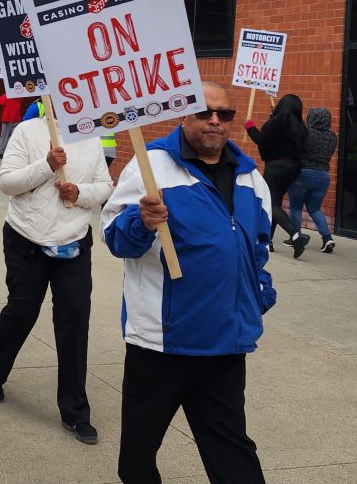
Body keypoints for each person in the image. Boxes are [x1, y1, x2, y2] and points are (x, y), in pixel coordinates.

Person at [103, 81, 274, 484]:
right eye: (204, 112)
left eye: (224, 114)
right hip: (163, 344)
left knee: (233, 459)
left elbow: (258, 247)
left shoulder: (251, 178)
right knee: (138, 461)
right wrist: (141, 222)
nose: (214, 121)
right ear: (184, 113)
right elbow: (115, 237)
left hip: (225, 344)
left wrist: (259, 292)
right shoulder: (152, 166)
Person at [0, 113, 112, 445]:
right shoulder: (28, 131)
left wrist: (79, 191)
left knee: (74, 319)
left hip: (73, 241)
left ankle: (75, 411)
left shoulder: (91, 136)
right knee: (23, 309)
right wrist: (47, 165)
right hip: (28, 237)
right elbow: (8, 182)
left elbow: (105, 186)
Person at [244, 94, 310, 257]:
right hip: (294, 167)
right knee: (275, 203)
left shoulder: (277, 122)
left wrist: (250, 127)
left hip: (276, 166)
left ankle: (296, 235)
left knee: (270, 204)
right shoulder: (300, 126)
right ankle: (269, 241)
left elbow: (263, 141)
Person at [284, 108, 337, 253]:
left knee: (295, 207)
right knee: (314, 208)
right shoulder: (333, 137)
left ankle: (295, 236)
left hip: (303, 174)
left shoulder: (305, 134)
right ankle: (327, 238)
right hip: (323, 176)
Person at [0, 93, 22, 158]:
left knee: (4, 136)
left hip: (7, 118)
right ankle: (13, 152)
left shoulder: (8, 94)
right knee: (14, 137)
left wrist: (5, 94)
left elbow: (0, 101)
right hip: (16, 118)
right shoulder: (20, 94)